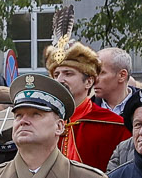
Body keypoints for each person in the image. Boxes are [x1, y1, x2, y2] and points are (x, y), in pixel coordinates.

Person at [48, 39, 130, 170]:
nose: (60, 80)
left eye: (68, 73)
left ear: (89, 82)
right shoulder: (45, 121)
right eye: (56, 74)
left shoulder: (114, 126)